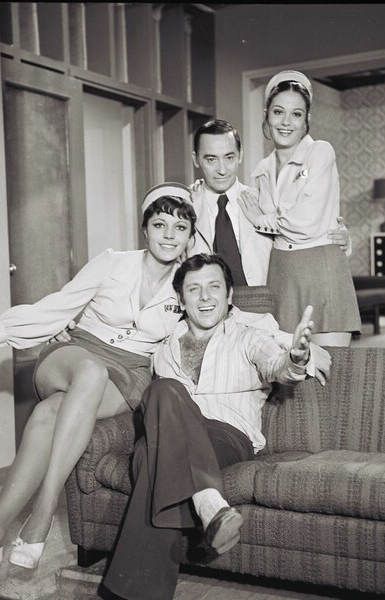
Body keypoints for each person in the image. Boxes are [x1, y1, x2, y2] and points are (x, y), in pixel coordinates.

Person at [0, 182, 198, 590]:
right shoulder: (113, 263)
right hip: (75, 354)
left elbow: (213, 323)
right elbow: (53, 309)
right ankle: (44, 511)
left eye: (180, 227)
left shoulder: (188, 284)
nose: (169, 235)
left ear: (190, 236)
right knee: (90, 372)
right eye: (160, 224)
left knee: (48, 414)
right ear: (144, 228)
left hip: (130, 372)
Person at [102, 253, 319, 600]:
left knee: (150, 452)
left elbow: (279, 367)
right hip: (170, 437)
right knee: (155, 418)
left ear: (229, 294)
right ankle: (207, 502)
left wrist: (295, 359)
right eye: (194, 289)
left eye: (214, 287)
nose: (205, 297)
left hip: (226, 437)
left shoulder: (248, 338)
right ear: (180, 300)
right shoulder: (163, 348)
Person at [238, 71, 361, 347]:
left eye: (296, 114)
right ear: (267, 116)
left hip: (320, 269)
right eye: (278, 112)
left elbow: (306, 221)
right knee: (288, 366)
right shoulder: (262, 170)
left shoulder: (320, 152)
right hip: (281, 273)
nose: (286, 122)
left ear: (306, 120)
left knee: (330, 364)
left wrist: (260, 219)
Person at [189, 119, 350, 286]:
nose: (222, 170)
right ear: (196, 159)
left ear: (240, 155)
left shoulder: (264, 200)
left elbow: (304, 227)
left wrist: (338, 238)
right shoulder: (186, 205)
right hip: (205, 300)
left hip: (263, 299)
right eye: (211, 160)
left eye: (229, 157)